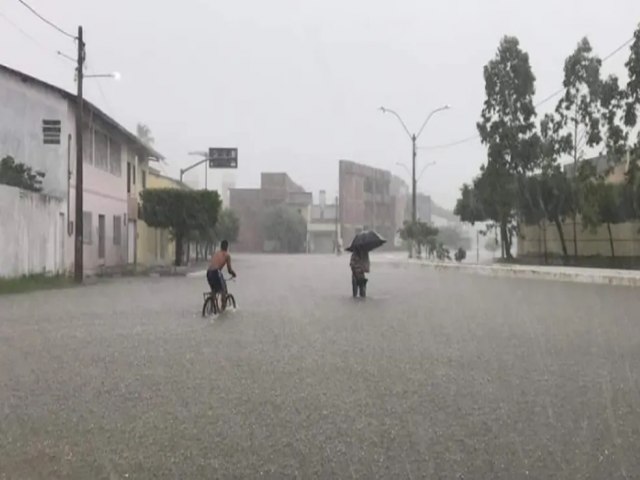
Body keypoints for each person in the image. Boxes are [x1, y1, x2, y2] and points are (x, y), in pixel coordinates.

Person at [206, 240, 236, 305]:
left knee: (214, 289)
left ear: (220, 246)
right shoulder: (227, 255)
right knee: (223, 290)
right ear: (227, 247)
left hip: (208, 272)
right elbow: (229, 270)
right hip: (216, 272)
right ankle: (223, 310)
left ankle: (212, 306)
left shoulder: (216, 253)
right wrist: (234, 274)